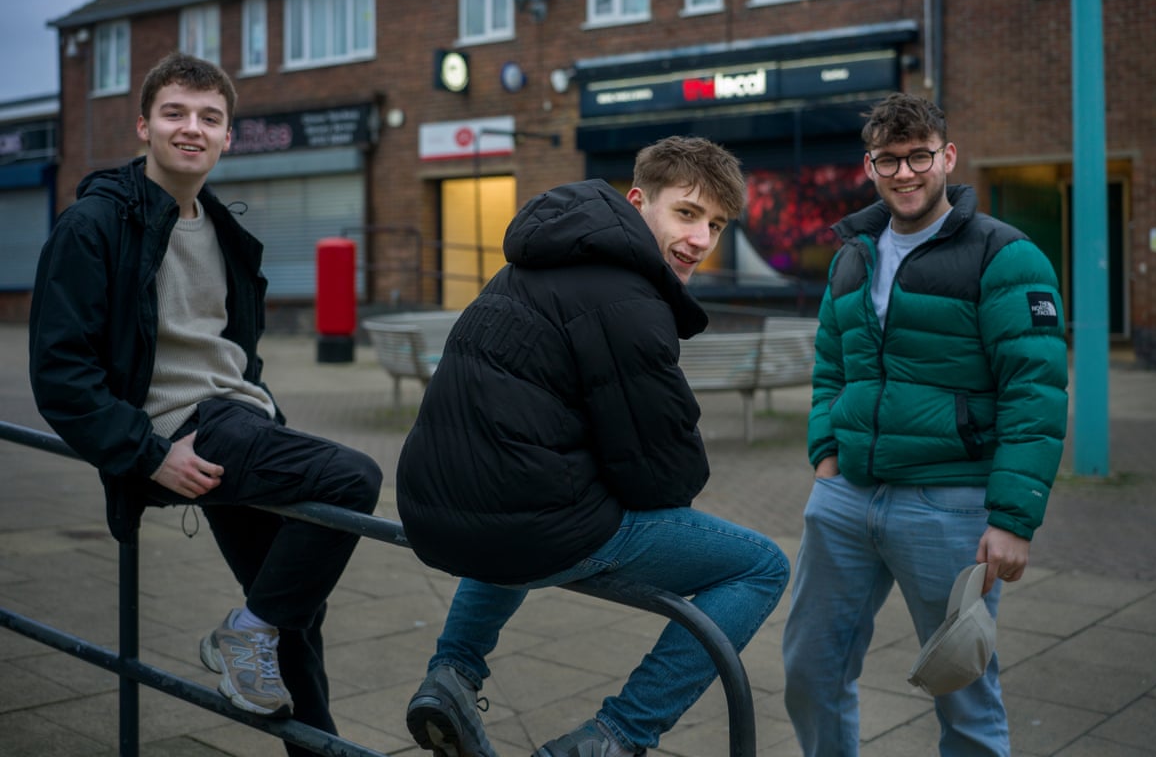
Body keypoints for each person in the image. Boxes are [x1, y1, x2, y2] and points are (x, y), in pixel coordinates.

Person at [28, 51, 382, 756]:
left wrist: (262, 412)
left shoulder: (223, 230)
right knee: (354, 477)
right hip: (183, 432)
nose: (192, 128)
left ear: (228, 137)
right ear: (143, 127)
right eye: (175, 113)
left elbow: (232, 352)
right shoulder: (94, 225)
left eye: (209, 117)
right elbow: (59, 374)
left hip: (239, 422)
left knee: (292, 620)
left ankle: (261, 652)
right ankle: (242, 633)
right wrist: (149, 455)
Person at [395, 136, 791, 757]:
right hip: (530, 524)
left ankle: (451, 674)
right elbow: (665, 473)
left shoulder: (533, 261)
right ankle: (618, 735)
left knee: (523, 500)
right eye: (686, 214)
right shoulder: (628, 296)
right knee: (761, 565)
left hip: (433, 508)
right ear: (638, 203)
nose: (700, 240)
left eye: (716, 225)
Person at [780, 93, 1069, 756]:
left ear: (947, 156)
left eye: (919, 157)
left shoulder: (1006, 255)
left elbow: (1036, 390)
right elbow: (831, 362)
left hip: (951, 507)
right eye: (889, 160)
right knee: (808, 672)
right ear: (870, 165)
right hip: (846, 500)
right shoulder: (852, 253)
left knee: (963, 694)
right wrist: (826, 452)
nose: (904, 174)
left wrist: (1012, 519)